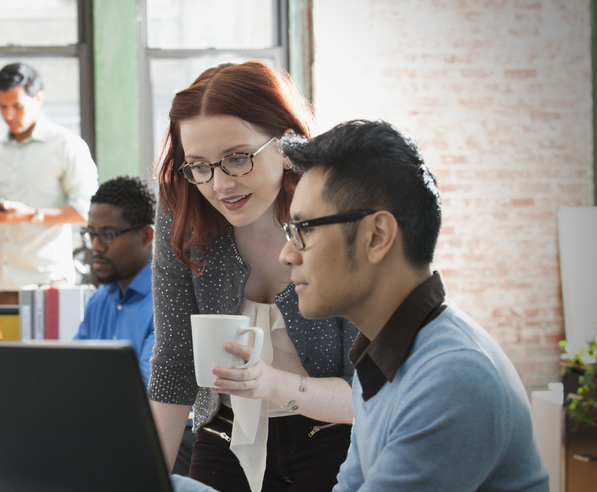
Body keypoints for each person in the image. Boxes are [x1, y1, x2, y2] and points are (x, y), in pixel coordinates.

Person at [279, 120, 549, 491]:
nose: (286, 254)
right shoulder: (380, 357)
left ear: (377, 236)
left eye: (303, 229)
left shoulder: (454, 376)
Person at [149, 60, 359, 492]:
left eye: (237, 158)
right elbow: (174, 363)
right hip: (225, 434)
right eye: (199, 165)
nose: (220, 184)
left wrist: (274, 385)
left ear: (285, 143)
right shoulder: (182, 208)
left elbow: (373, 393)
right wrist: (145, 478)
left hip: (334, 435)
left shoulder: (338, 210)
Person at [0, 62, 99, 304]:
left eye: (17, 106)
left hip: (46, 284)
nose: (8, 115)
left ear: (38, 98)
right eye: (2, 106)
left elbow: (86, 212)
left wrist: (30, 214)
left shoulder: (67, 145)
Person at [74, 175, 155, 387]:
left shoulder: (166, 305)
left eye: (108, 234)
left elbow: (145, 393)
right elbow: (70, 371)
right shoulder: (100, 299)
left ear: (147, 236)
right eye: (91, 234)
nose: (95, 247)